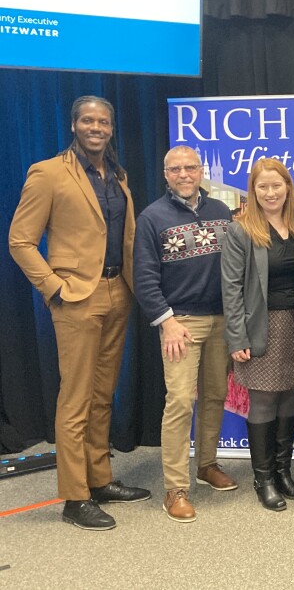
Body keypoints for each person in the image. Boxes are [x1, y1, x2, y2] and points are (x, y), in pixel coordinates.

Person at [8, 95, 150, 530]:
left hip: (117, 291)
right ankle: (75, 496)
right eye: (88, 120)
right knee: (76, 399)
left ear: (110, 128)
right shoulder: (47, 173)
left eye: (103, 121)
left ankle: (100, 479)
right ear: (74, 125)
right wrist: (54, 288)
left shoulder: (117, 175)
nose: (96, 127)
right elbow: (20, 241)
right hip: (76, 298)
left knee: (104, 394)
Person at [133, 145, 238, 524]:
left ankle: (207, 465)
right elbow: (143, 278)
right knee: (179, 400)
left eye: (190, 167)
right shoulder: (152, 217)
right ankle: (175, 488)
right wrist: (166, 321)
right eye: (175, 169)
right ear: (166, 174)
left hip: (220, 320)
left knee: (215, 395)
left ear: (200, 171)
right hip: (181, 323)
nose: (183, 174)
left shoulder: (221, 212)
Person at [221, 157, 294, 511]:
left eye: (277, 185)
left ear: (288, 187)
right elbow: (230, 288)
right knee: (263, 402)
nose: (271, 192)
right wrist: (236, 337)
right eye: (263, 187)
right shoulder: (241, 230)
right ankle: (264, 479)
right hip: (260, 326)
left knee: (290, 398)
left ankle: (283, 472)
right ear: (253, 192)